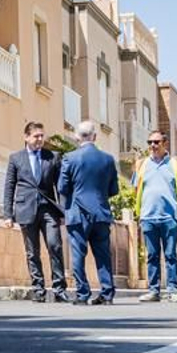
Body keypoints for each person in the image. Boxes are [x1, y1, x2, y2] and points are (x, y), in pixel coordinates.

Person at [1, 121, 68, 303]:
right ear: (26, 137)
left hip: (48, 210)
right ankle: (38, 289)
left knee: (55, 246)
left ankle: (59, 288)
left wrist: (62, 211)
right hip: (25, 210)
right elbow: (9, 187)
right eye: (36, 136)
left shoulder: (52, 157)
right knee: (32, 252)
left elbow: (60, 187)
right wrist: (8, 214)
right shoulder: (16, 158)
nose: (40, 139)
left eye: (41, 136)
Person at [57, 120, 120, 305]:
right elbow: (114, 189)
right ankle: (107, 294)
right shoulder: (108, 159)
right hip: (101, 212)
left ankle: (83, 293)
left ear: (77, 137)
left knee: (78, 254)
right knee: (103, 255)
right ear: (95, 136)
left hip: (78, 213)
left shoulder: (70, 158)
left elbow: (62, 187)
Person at [132, 130, 177, 302]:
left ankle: (173, 289)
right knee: (152, 256)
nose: (152, 146)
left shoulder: (176, 164)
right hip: (148, 217)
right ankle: (153, 290)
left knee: (170, 254)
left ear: (165, 143)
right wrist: (140, 213)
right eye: (150, 142)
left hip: (169, 217)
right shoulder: (142, 164)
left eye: (156, 142)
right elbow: (136, 189)